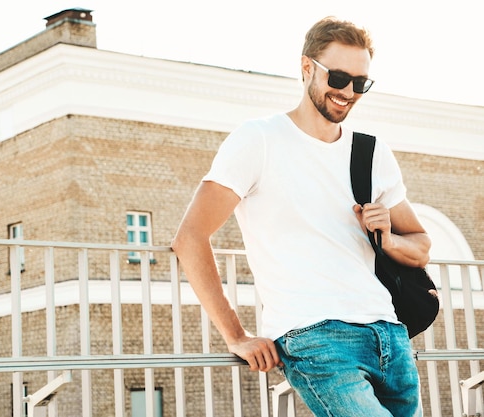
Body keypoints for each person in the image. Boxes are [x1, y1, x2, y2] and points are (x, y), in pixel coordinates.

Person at [171, 16, 431, 416]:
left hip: (390, 335)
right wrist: (236, 335)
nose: (348, 92)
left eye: (360, 83)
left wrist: (388, 237)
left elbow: (421, 248)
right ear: (307, 67)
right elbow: (190, 237)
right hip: (317, 338)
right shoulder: (259, 139)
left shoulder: (371, 153)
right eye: (339, 77)